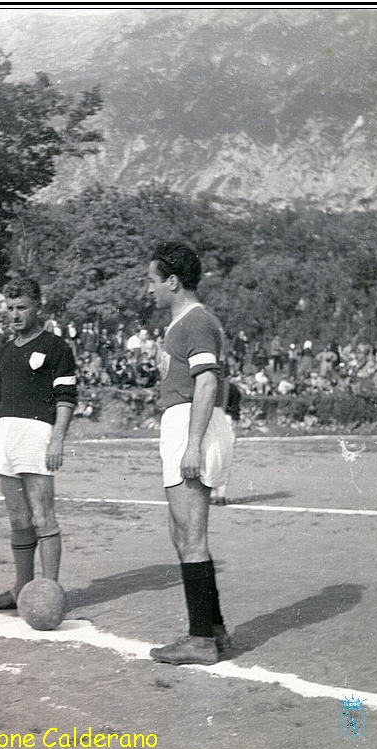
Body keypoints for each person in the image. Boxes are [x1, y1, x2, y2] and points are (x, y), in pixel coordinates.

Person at [147, 242, 234, 666]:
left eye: (153, 281)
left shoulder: (196, 322)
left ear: (173, 281)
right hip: (183, 422)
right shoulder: (183, 322)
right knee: (181, 533)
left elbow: (207, 383)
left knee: (191, 536)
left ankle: (200, 639)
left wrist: (194, 444)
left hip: (190, 424)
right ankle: (213, 629)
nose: (150, 290)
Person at [0, 277, 77, 611]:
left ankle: (50, 593)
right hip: (7, 434)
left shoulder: (57, 347)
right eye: (9, 308)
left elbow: (66, 398)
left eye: (21, 307)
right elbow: (0, 400)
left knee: (42, 517)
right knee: (17, 519)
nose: (14, 314)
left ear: (38, 306)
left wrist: (57, 440)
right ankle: (21, 589)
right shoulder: (6, 349)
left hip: (38, 434)